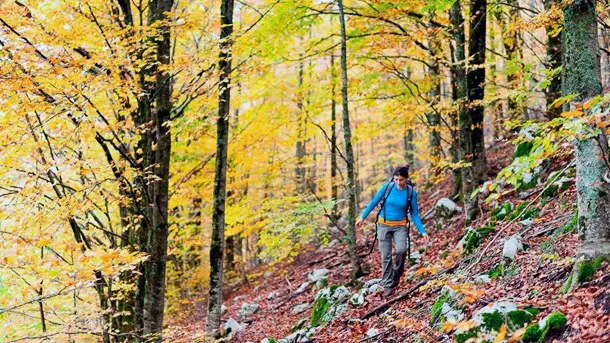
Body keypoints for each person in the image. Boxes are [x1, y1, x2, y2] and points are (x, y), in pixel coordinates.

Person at [356, 166, 428, 297]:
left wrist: (422, 231)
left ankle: (396, 274)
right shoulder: (387, 188)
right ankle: (388, 285)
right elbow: (373, 203)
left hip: (400, 226)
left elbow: (415, 214)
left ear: (406, 179)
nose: (398, 183)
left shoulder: (411, 192)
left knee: (401, 250)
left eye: (401, 180)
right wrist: (363, 217)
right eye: (396, 179)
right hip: (383, 226)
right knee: (386, 257)